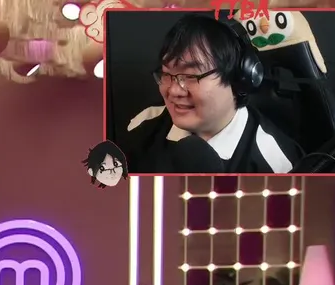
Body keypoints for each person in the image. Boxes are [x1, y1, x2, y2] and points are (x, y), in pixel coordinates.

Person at [119, 14, 302, 174]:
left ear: (237, 78)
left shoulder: (276, 164)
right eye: (166, 74)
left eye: (190, 76)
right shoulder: (143, 126)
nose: (173, 90)